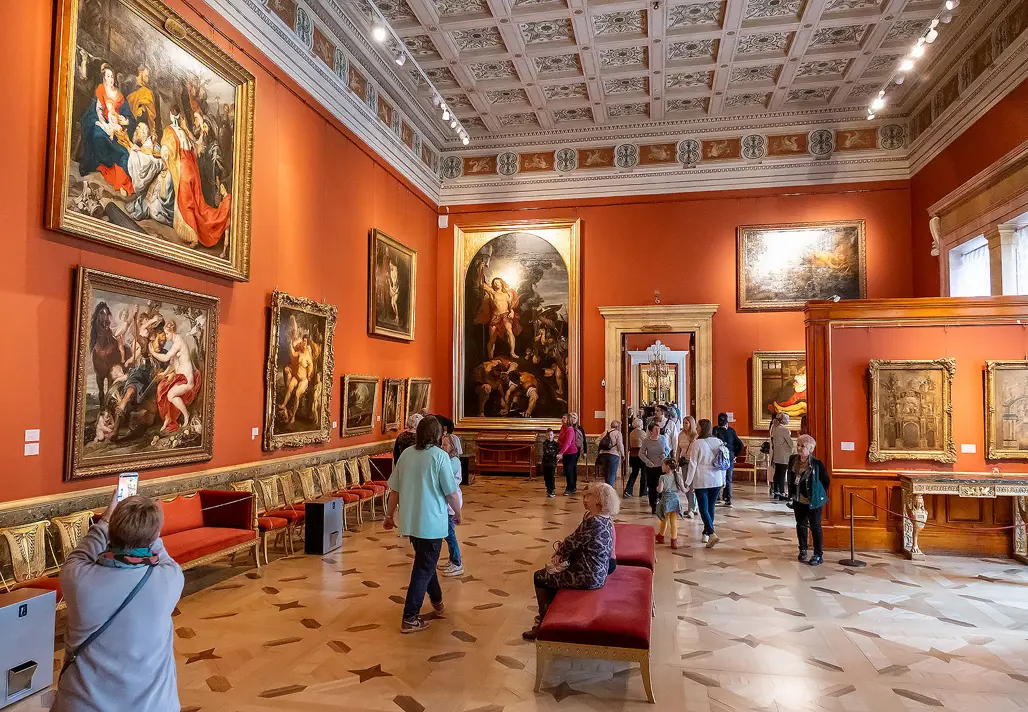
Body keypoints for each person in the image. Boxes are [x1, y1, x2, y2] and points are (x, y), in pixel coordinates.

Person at [53, 492, 183, 712]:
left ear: (111, 533)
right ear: (154, 536)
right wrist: (149, 529)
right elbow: (161, 553)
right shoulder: (170, 578)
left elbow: (82, 552)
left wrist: (106, 520)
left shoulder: (77, 578)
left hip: (84, 705)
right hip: (153, 706)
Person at [384, 416, 462, 633]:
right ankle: (410, 616)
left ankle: (437, 601)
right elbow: (451, 493)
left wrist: (389, 516)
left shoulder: (407, 454)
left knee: (425, 563)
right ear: (437, 435)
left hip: (411, 522)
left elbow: (394, 491)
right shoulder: (439, 456)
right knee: (423, 567)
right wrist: (458, 513)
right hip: (432, 523)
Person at [522, 484, 619, 641]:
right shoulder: (605, 519)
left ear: (599, 500)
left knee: (540, 577)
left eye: (590, 496)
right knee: (553, 576)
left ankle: (543, 625)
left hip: (587, 575)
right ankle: (553, 619)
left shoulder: (593, 522)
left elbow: (572, 542)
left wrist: (560, 553)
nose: (586, 499)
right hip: (598, 572)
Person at [685, 419, 726, 548]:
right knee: (710, 507)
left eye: (698, 426)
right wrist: (723, 479)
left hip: (702, 479)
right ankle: (706, 534)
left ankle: (711, 533)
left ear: (703, 428)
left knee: (703, 508)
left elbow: (693, 464)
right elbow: (723, 462)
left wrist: (688, 482)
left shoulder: (697, 443)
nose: (696, 428)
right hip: (716, 478)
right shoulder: (718, 442)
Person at [790, 434, 830, 566]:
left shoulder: (817, 463)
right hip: (798, 499)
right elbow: (791, 477)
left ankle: (818, 554)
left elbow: (825, 481)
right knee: (801, 525)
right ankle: (803, 549)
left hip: (814, 501)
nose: (799, 448)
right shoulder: (793, 460)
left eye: (803, 446)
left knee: (815, 527)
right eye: (798, 445)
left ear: (810, 449)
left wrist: (817, 493)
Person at [438, 436, 465, 577]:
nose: (442, 447)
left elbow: (444, 476)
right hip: (448, 500)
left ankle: (457, 563)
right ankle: (452, 559)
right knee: (448, 533)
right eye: (441, 445)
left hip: (452, 502)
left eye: (445, 445)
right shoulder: (447, 459)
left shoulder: (454, 461)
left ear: (453, 447)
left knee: (449, 534)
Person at [713, 413, 744, 507]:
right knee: (728, 478)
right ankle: (728, 499)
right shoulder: (731, 431)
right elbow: (740, 445)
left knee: (717, 476)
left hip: (717, 457)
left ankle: (717, 497)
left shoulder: (715, 430)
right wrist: (735, 455)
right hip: (728, 457)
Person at [639, 421, 671, 515]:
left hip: (662, 467)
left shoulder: (663, 438)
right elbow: (641, 453)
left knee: (662, 486)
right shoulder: (646, 441)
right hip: (651, 467)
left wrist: (665, 454)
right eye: (655, 429)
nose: (658, 431)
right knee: (652, 487)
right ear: (650, 431)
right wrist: (647, 461)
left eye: (659, 429)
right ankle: (653, 505)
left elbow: (668, 449)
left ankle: (662, 504)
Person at [655, 457, 686, 549]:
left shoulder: (662, 477)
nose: (661, 466)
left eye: (663, 465)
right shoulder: (678, 476)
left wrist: (657, 488)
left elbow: (660, 490)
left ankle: (661, 536)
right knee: (674, 521)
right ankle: (674, 540)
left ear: (667, 467)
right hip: (676, 500)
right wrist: (689, 488)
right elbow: (684, 490)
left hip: (666, 501)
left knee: (664, 519)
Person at [676, 415, 699, 517]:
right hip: (684, 461)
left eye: (686, 423)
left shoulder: (696, 435)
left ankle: (691, 508)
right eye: (683, 423)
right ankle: (694, 506)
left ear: (691, 424)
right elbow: (678, 449)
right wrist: (676, 462)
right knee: (686, 485)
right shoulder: (681, 434)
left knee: (692, 486)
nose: (684, 425)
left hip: (693, 462)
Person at [770, 413, 796, 502]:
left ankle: (776, 491)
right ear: (783, 420)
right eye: (787, 419)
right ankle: (782, 493)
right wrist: (793, 449)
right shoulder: (784, 429)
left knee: (777, 473)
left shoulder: (775, 428)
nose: (788, 420)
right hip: (784, 455)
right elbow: (790, 443)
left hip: (777, 454)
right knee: (782, 474)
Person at [595, 420, 624, 488]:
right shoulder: (618, 433)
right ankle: (609, 490)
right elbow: (620, 445)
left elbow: (596, 441)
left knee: (606, 473)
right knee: (612, 473)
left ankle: (606, 489)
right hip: (613, 454)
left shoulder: (605, 432)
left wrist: (604, 447)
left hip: (603, 455)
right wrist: (623, 454)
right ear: (617, 426)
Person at [624, 418, 646, 499]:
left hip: (633, 455)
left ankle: (628, 490)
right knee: (644, 474)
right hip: (642, 455)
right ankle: (643, 492)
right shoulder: (642, 433)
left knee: (634, 473)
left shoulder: (631, 433)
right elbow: (645, 444)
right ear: (640, 424)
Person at [541, 428, 560, 498]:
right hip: (545, 463)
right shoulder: (544, 443)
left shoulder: (556, 444)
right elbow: (546, 452)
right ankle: (548, 488)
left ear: (553, 435)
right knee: (546, 476)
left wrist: (555, 455)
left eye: (551, 435)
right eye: (548, 435)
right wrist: (553, 453)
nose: (550, 436)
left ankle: (552, 489)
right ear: (546, 435)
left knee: (551, 476)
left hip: (552, 463)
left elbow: (557, 452)